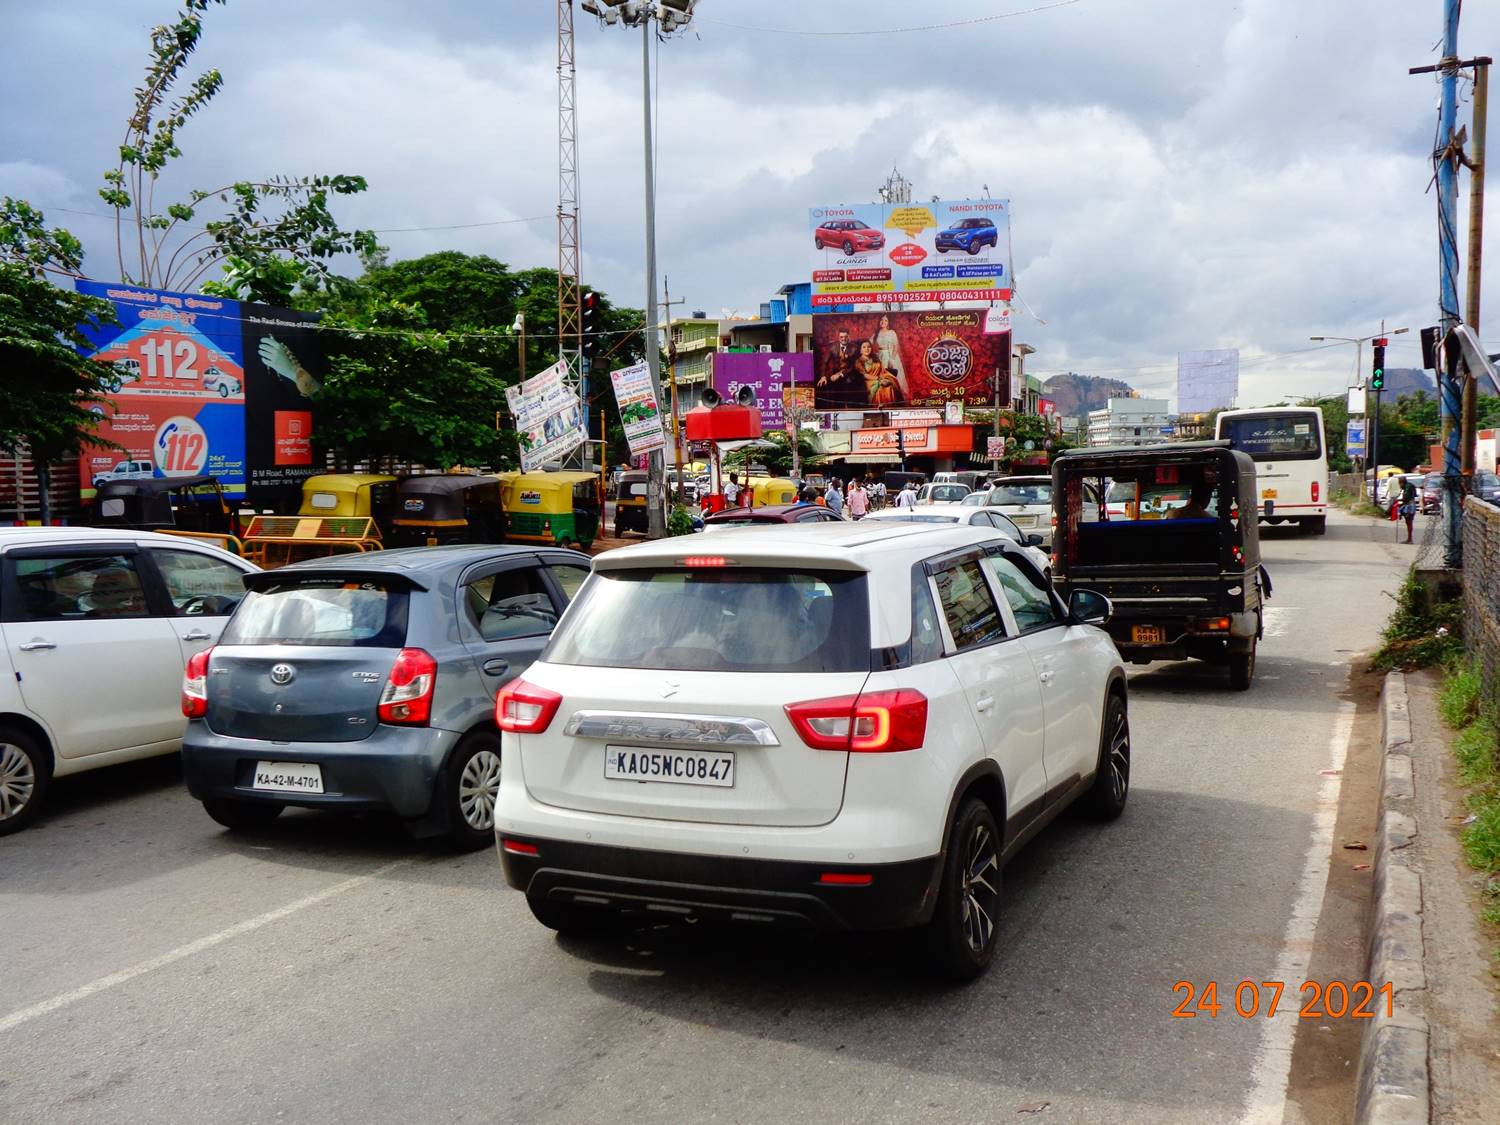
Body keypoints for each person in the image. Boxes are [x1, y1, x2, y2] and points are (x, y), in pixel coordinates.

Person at [854, 339, 902, 406]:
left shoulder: (875, 358)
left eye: (869, 347)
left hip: (880, 378)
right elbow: (864, 375)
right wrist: (879, 379)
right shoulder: (859, 361)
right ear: (860, 350)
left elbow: (883, 371)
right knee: (880, 389)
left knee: (889, 387)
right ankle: (878, 410)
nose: (867, 349)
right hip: (868, 382)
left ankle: (890, 410)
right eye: (864, 347)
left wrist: (886, 379)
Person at [874, 314, 911, 400]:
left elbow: (896, 346)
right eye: (881, 320)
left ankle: (896, 396)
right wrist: (875, 354)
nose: (883, 322)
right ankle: (884, 396)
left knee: (892, 376)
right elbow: (869, 342)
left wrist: (891, 359)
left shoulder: (892, 332)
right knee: (882, 376)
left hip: (890, 356)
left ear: (888, 322)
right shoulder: (877, 333)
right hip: (880, 356)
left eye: (886, 320)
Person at [1398, 474, 1418, 543]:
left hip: (1409, 506)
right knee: (1409, 522)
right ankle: (1409, 538)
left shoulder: (1407, 487)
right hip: (1412, 504)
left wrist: (1397, 501)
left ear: (1402, 482)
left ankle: (1410, 539)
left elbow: (1405, 498)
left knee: (1408, 522)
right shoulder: (1411, 485)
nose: (1399, 486)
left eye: (1399, 484)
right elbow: (1415, 495)